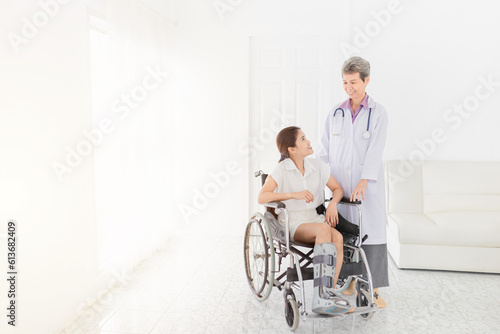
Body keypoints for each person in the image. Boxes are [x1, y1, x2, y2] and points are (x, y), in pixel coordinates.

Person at [316, 56, 389, 308]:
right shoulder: (335, 112)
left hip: (366, 188)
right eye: (345, 82)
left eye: (354, 82)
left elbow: (375, 150)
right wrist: (325, 181)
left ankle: (375, 289)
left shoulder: (378, 113)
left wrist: (364, 181)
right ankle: (349, 284)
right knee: (346, 236)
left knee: (371, 235)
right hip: (340, 187)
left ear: (367, 81)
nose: (349, 87)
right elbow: (324, 150)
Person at [258, 126, 352, 315]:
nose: (308, 142)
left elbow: (337, 189)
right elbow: (262, 197)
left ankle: (328, 293)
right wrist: (294, 194)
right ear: (292, 149)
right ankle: (320, 296)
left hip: (315, 219)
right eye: (303, 139)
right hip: (293, 222)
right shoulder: (282, 169)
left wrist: (333, 204)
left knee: (338, 238)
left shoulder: (316, 166)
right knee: (324, 231)